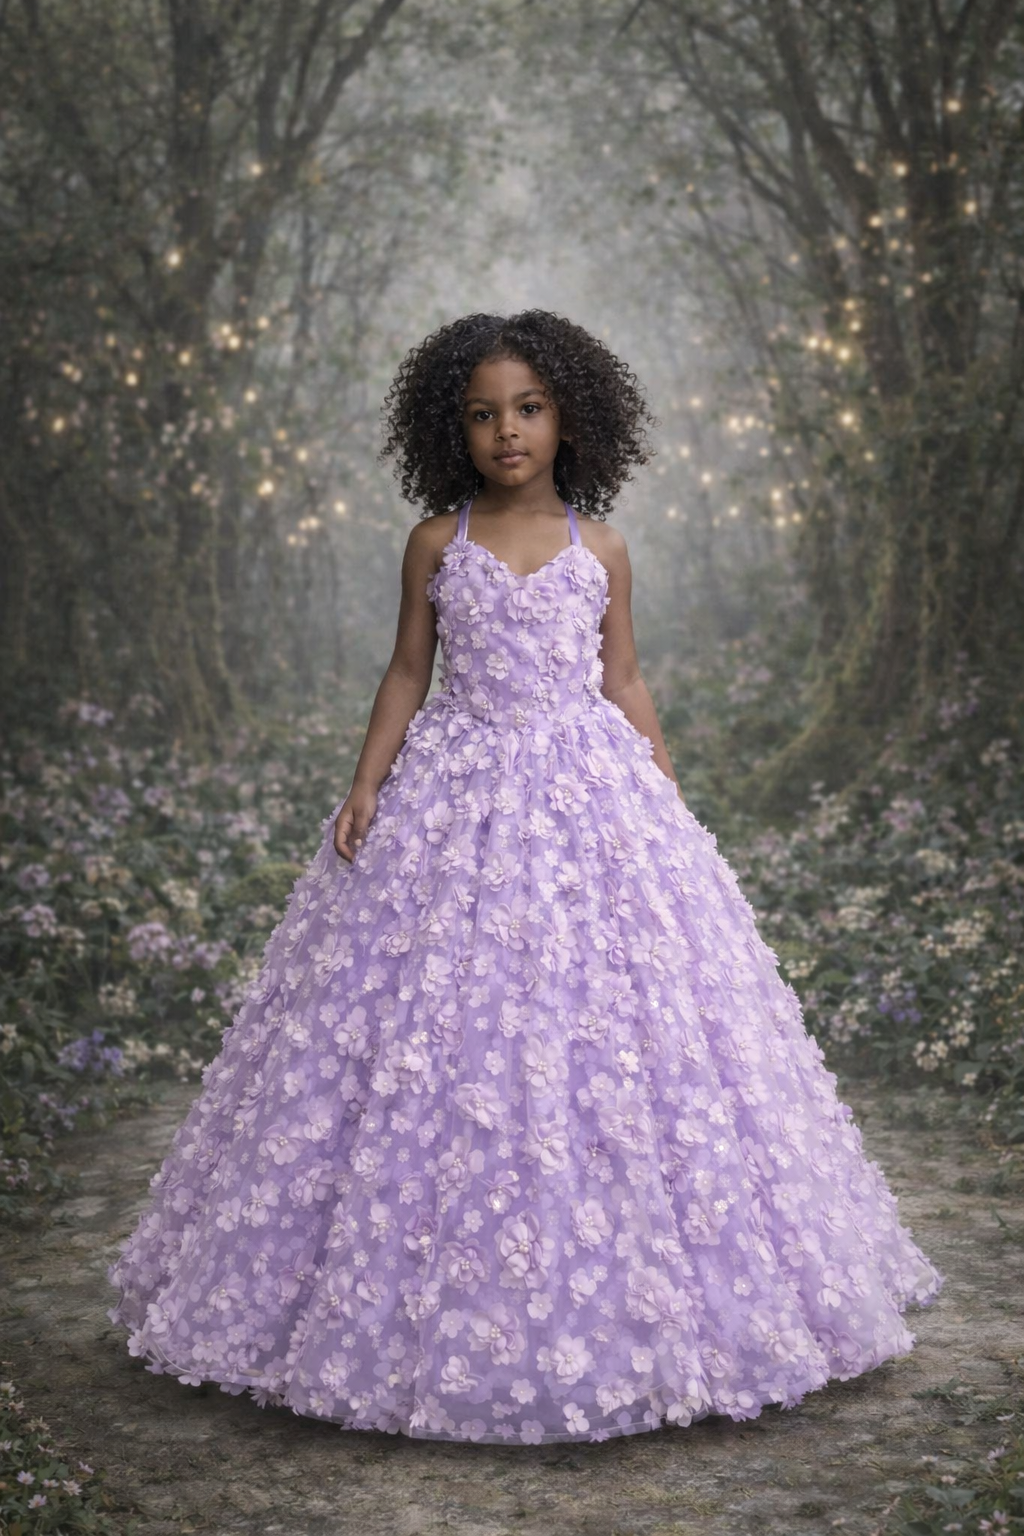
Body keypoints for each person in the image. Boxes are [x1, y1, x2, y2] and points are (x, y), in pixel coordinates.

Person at [107, 310, 942, 1446]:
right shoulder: (433, 543)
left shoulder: (601, 549)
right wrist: (365, 785)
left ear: (569, 418)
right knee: (437, 1032)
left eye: (529, 408)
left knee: (603, 1030)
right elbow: (407, 670)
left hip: (587, 788)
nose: (508, 431)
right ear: (454, 428)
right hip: (452, 793)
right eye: (484, 413)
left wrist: (660, 789)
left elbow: (626, 678)